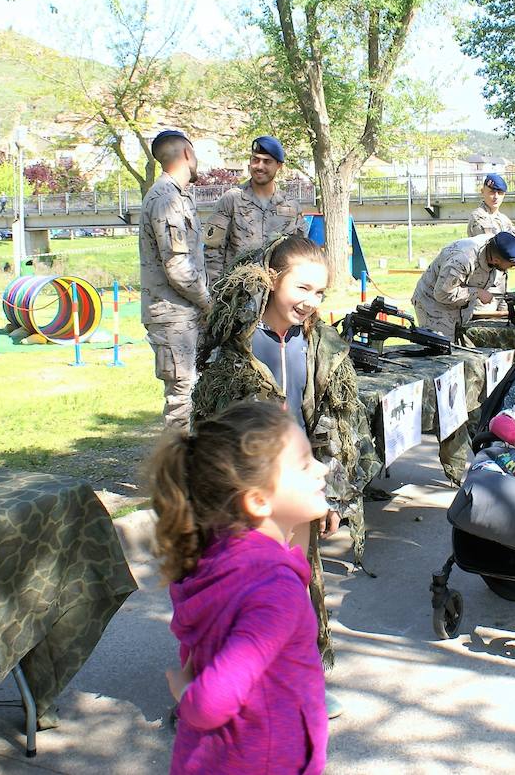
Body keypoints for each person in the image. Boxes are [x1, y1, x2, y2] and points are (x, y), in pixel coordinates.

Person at [192, 234, 374, 716]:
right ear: (272, 280)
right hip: (243, 498)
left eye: (320, 292)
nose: (311, 302)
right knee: (235, 598)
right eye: (302, 287)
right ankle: (214, 692)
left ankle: (296, 684)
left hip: (295, 490)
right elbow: (212, 431)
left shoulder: (318, 346)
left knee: (296, 595)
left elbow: (334, 423)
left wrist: (331, 496)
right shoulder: (234, 349)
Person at [149, 400, 328, 775]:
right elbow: (210, 701)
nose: (322, 469)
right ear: (259, 501)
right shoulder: (274, 589)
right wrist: (185, 694)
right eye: (304, 463)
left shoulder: (217, 557)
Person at [140, 129, 211, 429]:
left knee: (193, 399)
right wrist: (210, 303)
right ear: (186, 154)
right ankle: (176, 475)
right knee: (183, 403)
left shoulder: (175, 197)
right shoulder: (167, 199)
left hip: (183, 315)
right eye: (194, 154)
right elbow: (178, 269)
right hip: (173, 318)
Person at [413, 231, 515, 341]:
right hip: (434, 307)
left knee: (459, 350)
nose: (514, 266)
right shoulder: (463, 259)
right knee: (443, 355)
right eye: (512, 264)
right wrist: (476, 292)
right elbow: (442, 294)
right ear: (496, 261)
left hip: (459, 308)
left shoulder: (501, 248)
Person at [202, 136, 307, 286]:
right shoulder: (231, 199)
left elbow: (300, 253)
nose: (259, 166)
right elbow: (213, 251)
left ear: (279, 166)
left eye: (267, 161)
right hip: (238, 292)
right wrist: (216, 291)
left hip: (278, 292)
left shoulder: (292, 206)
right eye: (255, 160)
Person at [467, 173, 515, 312]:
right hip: (483, 286)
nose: (496, 196)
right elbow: (495, 250)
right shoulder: (478, 216)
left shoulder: (505, 220)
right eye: (492, 192)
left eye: (500, 193)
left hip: (502, 285)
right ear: (483, 192)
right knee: (482, 329)